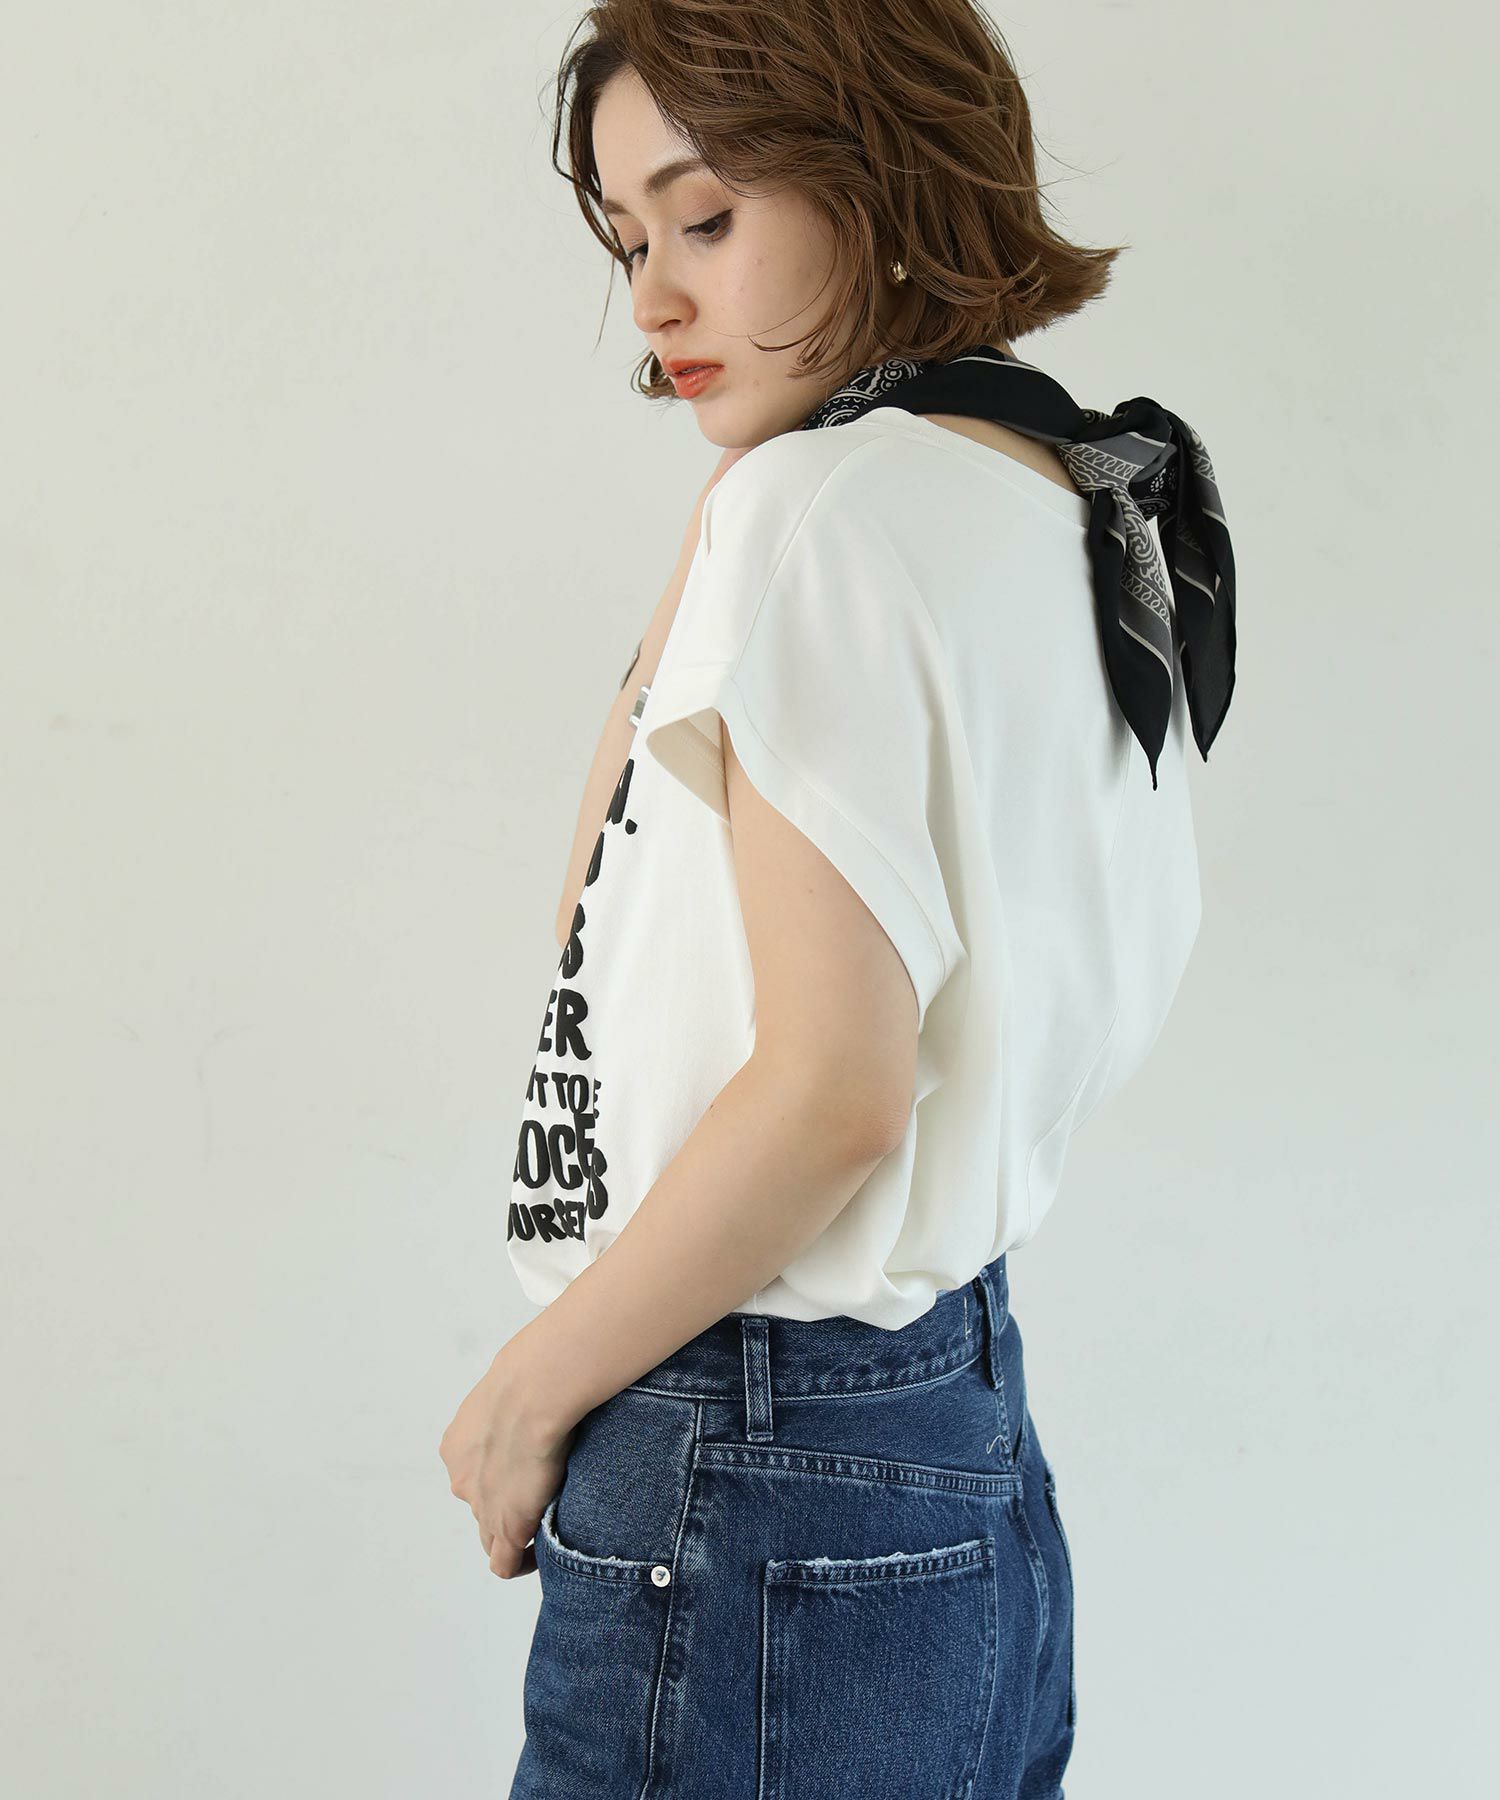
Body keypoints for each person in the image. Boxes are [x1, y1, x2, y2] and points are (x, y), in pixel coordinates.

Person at [439, 3, 1236, 1794]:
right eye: (629, 242)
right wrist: (729, 519)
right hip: (953, 1432)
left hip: (739, 1438)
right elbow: (621, 916)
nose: (655, 299)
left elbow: (831, 1092)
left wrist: (533, 1387)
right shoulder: (1051, 501)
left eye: (705, 217)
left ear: (874, 176)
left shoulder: (825, 515)